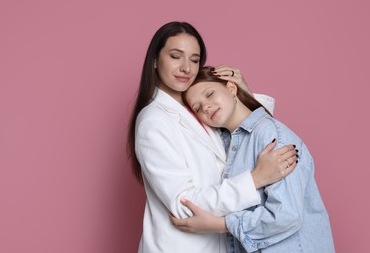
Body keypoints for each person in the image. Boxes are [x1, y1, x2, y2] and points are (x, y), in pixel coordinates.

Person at [127, 21, 298, 253]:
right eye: (176, 56)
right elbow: (184, 204)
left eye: (195, 60)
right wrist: (255, 179)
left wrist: (242, 92)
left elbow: (247, 139)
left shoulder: (199, 107)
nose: (187, 68)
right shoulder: (153, 121)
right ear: (155, 61)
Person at [172, 66, 335, 252]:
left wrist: (219, 224)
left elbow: (286, 215)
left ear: (232, 88)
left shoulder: (270, 135)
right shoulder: (227, 145)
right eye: (198, 107)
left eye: (209, 94)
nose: (206, 107)